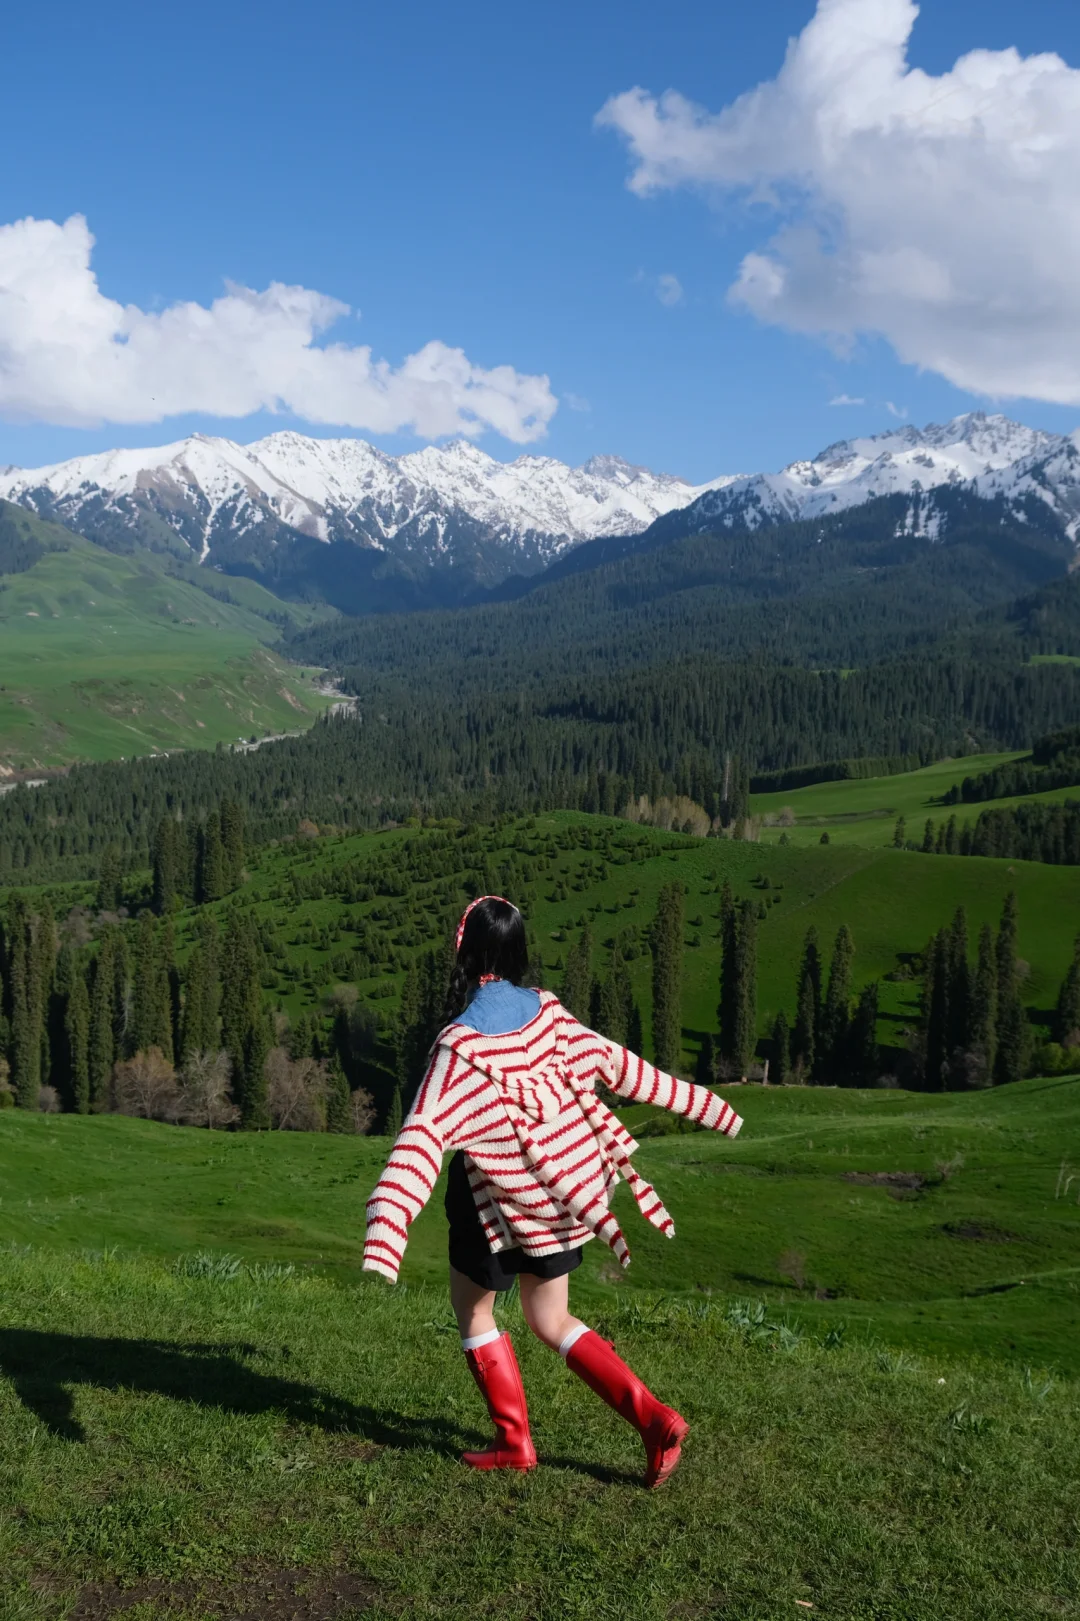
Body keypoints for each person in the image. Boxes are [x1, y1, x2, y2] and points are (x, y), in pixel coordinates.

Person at [363, 895, 743, 1488]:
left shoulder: (459, 1047)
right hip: (560, 1198)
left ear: (464, 954)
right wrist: (708, 1106)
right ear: (517, 952)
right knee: (553, 1317)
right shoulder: (551, 1014)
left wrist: (386, 1228)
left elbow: (420, 1138)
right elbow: (626, 1068)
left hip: (491, 1207)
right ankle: (653, 1419)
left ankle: (514, 1442)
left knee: (473, 1309)